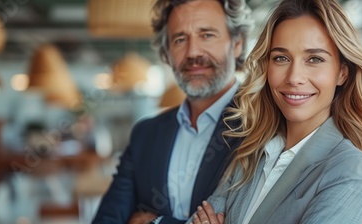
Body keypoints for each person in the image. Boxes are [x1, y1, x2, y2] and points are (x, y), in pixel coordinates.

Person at [189, 0, 362, 223]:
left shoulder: (352, 170)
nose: (294, 77)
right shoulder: (249, 156)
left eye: (314, 59)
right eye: (281, 58)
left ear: (342, 73)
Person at [92, 0, 252, 223]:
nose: (192, 51)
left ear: (237, 43)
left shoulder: (262, 125)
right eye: (180, 39)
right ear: (167, 54)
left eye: (206, 35)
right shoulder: (145, 134)